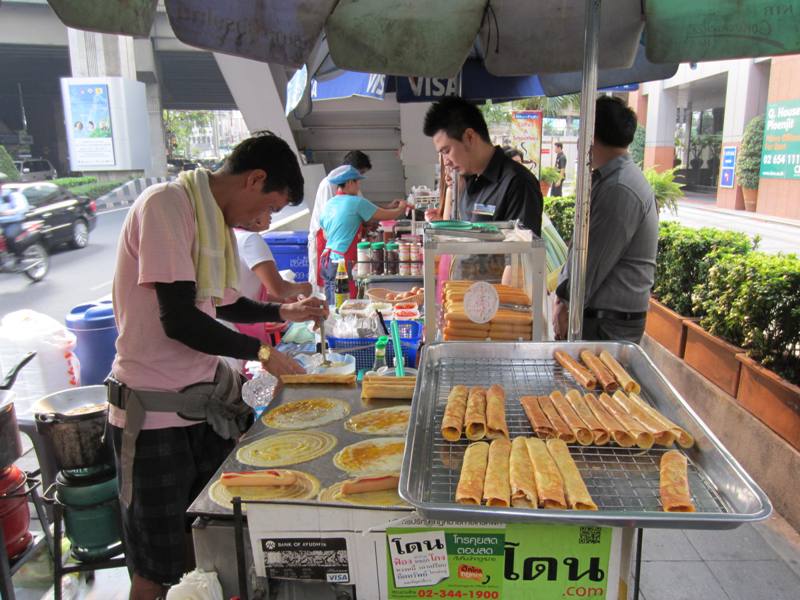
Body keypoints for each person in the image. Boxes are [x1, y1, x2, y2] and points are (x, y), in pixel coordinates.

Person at [106, 131, 328, 600]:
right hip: (154, 419)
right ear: (255, 179)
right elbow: (181, 320)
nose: (265, 222)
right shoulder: (168, 206)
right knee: (155, 565)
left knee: (207, 542)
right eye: (269, 208)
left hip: (200, 408)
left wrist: (281, 313)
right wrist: (265, 354)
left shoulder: (213, 225)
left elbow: (222, 304)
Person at [553, 96, 658, 343]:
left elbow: (591, 262)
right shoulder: (611, 179)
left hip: (608, 326)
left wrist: (566, 304)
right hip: (604, 320)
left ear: (591, 136)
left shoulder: (619, 189)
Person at [423, 96, 543, 235]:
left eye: (447, 151)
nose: (446, 162)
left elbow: (523, 251)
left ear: (469, 137)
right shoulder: (468, 181)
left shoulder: (517, 183)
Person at [319, 166, 406, 303]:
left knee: (332, 304)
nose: (359, 187)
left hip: (327, 260)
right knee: (346, 303)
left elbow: (326, 234)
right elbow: (386, 215)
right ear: (349, 183)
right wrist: (401, 208)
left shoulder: (329, 204)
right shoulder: (356, 202)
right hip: (342, 261)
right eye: (357, 182)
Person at [308, 150, 372, 292]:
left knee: (342, 282)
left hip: (342, 242)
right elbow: (329, 221)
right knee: (327, 284)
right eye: (359, 173)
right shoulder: (328, 185)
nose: (359, 180)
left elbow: (364, 208)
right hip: (325, 240)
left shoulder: (352, 187)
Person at [0, 182, 30, 261]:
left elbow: (23, 207)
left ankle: (19, 256)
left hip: (14, 222)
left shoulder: (12, 194)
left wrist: (12, 211)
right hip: (1, 224)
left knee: (9, 236)